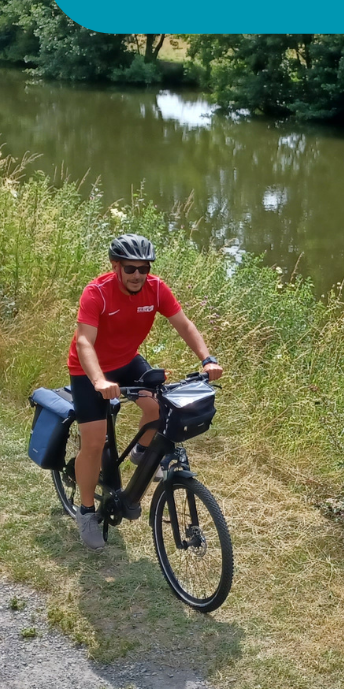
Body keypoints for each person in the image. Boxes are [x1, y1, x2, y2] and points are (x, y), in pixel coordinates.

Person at [68, 234, 223, 549]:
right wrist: (99, 381)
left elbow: (184, 324)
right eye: (130, 268)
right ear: (116, 266)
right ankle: (86, 511)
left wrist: (207, 359)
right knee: (94, 443)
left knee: (158, 409)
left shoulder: (156, 289)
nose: (138, 275)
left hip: (127, 361)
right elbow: (84, 341)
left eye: (144, 268)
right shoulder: (97, 292)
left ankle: (141, 453)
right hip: (89, 369)